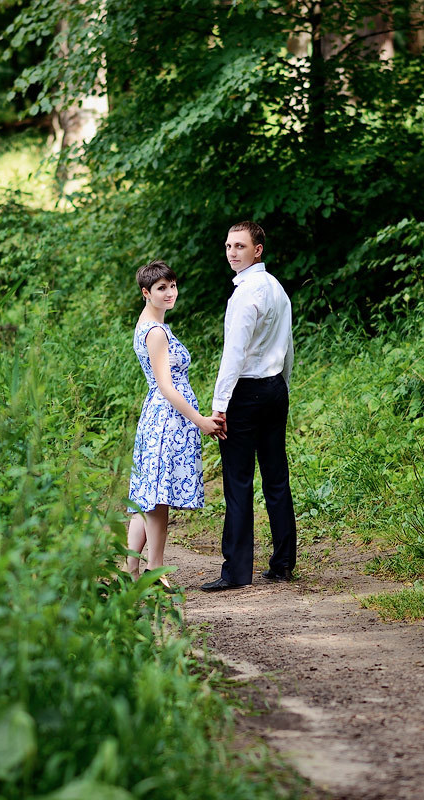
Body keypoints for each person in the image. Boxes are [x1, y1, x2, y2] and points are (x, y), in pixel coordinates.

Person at [200, 221, 297, 591]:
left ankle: (237, 573)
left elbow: (233, 355)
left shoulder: (246, 294)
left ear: (258, 249)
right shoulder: (276, 288)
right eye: (228, 246)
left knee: (238, 483)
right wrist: (282, 387)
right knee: (276, 477)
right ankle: (283, 563)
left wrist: (219, 406)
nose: (231, 252)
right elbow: (287, 345)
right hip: (274, 390)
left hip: (246, 393)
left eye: (239, 246)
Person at [127, 260, 225, 590]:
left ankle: (132, 571)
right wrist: (199, 421)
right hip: (167, 419)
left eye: (172, 285)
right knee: (157, 498)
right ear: (146, 293)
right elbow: (166, 386)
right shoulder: (155, 332)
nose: (170, 293)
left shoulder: (151, 325)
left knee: (148, 495)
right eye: (161, 288)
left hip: (161, 418)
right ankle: (154, 569)